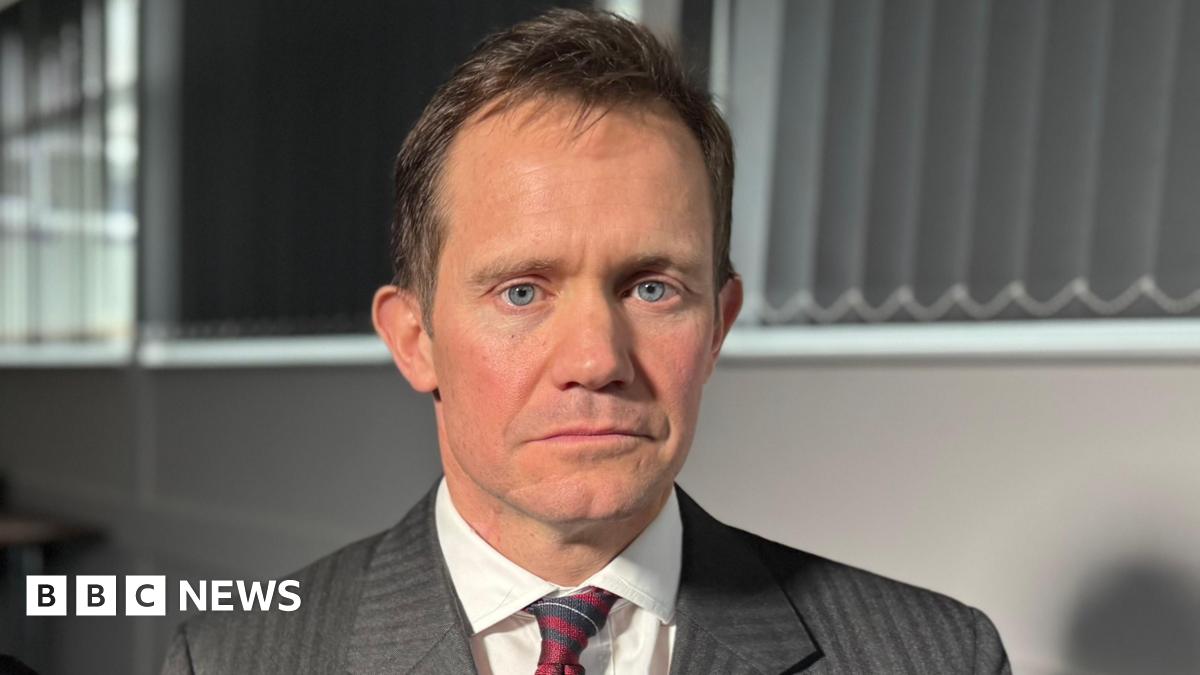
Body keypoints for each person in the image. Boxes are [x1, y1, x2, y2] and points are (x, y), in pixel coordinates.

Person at [162, 8, 1010, 674]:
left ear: (717, 325)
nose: (597, 361)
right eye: (522, 291)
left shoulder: (936, 658)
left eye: (652, 288)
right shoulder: (233, 659)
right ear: (415, 339)